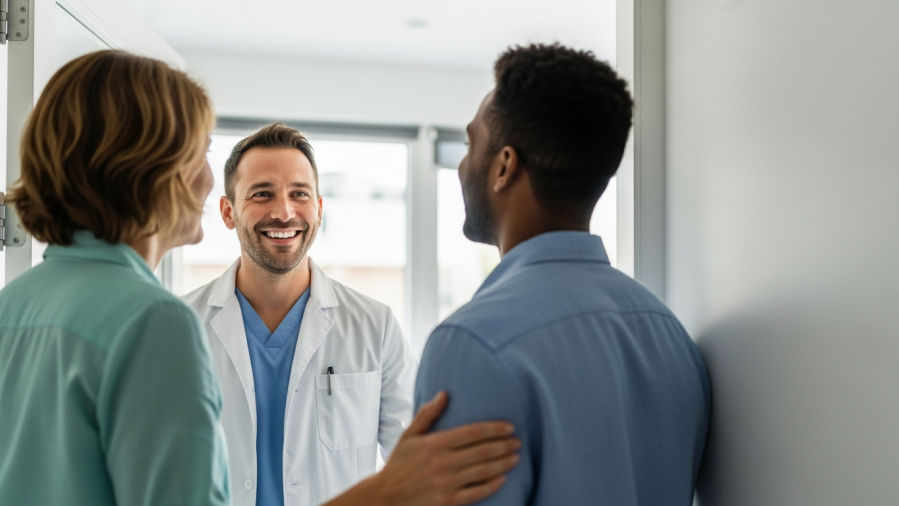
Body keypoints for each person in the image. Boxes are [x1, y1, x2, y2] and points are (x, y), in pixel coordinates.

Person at [0, 49, 519, 506]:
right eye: (196, 153)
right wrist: (381, 496)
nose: (205, 180)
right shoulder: (157, 321)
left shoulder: (13, 305)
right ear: (142, 165)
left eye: (298, 194)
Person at [414, 43, 711, 505]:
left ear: (504, 166)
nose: (462, 163)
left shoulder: (472, 342)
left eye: (472, 144)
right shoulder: (671, 337)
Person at [181, 122, 417, 506]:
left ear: (319, 209)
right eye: (262, 193)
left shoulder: (376, 327)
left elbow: (415, 470)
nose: (284, 212)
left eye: (300, 194)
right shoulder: (181, 326)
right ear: (227, 211)